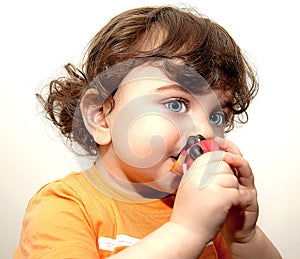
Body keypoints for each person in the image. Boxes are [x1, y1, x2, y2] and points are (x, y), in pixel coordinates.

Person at [14, 5, 282, 258]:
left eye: (216, 115)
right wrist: (185, 231)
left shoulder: (207, 206)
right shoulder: (65, 205)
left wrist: (242, 237)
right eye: (176, 104)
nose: (204, 131)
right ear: (101, 118)